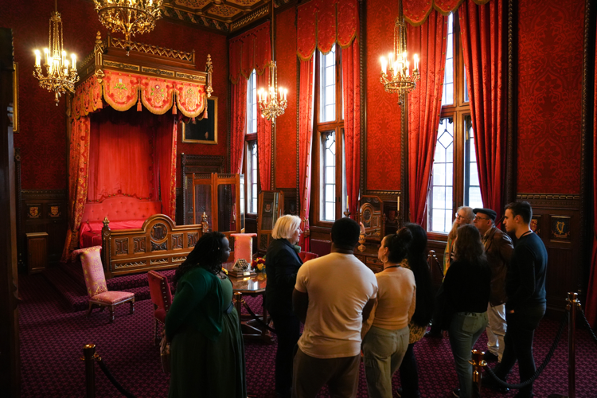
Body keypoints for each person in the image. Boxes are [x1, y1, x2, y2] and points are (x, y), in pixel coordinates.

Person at [292, 218, 378, 398]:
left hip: (315, 347)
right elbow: (365, 314)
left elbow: (297, 306)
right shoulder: (369, 276)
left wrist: (313, 325)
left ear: (331, 237)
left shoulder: (309, 268)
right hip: (350, 349)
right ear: (357, 242)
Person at [166, 232, 246, 398]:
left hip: (219, 332)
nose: (229, 250)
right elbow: (176, 313)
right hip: (203, 340)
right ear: (215, 251)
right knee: (206, 383)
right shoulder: (198, 277)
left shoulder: (213, 268)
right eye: (226, 248)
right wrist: (168, 336)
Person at [484, 201, 548, 398]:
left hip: (525, 308)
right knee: (512, 344)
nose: (503, 221)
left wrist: (511, 306)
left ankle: (526, 391)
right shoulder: (534, 240)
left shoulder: (524, 247)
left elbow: (527, 287)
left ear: (518, 218)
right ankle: (498, 377)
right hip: (533, 304)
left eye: (507, 217)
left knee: (523, 351)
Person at [361, 229, 416, 398]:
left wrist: (360, 338)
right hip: (402, 336)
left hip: (380, 338)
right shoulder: (409, 273)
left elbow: (369, 318)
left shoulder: (377, 279)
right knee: (387, 381)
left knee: (380, 389)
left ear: (385, 251)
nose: (378, 248)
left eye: (380, 245)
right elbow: (411, 308)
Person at [441, 225, 491, 398]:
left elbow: (449, 298)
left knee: (463, 364)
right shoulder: (484, 264)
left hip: (463, 320)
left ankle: (467, 395)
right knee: (467, 358)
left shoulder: (457, 267)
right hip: (482, 318)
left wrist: (444, 324)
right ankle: (467, 390)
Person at [265, 215, 303, 398]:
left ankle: (285, 385)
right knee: (287, 347)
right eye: (297, 229)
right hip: (284, 305)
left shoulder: (280, 246)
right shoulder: (282, 250)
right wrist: (305, 271)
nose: (300, 232)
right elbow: (283, 281)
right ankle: (283, 387)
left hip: (280, 303)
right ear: (288, 230)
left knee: (287, 346)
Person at [398, 223, 435, 398]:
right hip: (418, 317)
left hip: (408, 319)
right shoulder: (420, 261)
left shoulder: (404, 265)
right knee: (407, 355)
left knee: (406, 358)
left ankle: (411, 392)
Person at [427, 206, 475, 339]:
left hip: (460, 271)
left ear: (469, 219)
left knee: (448, 301)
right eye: (457, 215)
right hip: (450, 270)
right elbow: (448, 252)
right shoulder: (455, 230)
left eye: (460, 217)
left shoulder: (470, 233)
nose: (457, 218)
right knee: (440, 299)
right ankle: (436, 329)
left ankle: (443, 328)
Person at [473, 208, 513, 364]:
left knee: (500, 326)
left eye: (478, 218)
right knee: (489, 322)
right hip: (487, 288)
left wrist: (505, 286)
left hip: (497, 289)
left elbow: (513, 263)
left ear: (488, 222)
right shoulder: (484, 236)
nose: (474, 220)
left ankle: (503, 361)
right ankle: (493, 350)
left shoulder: (499, 238)